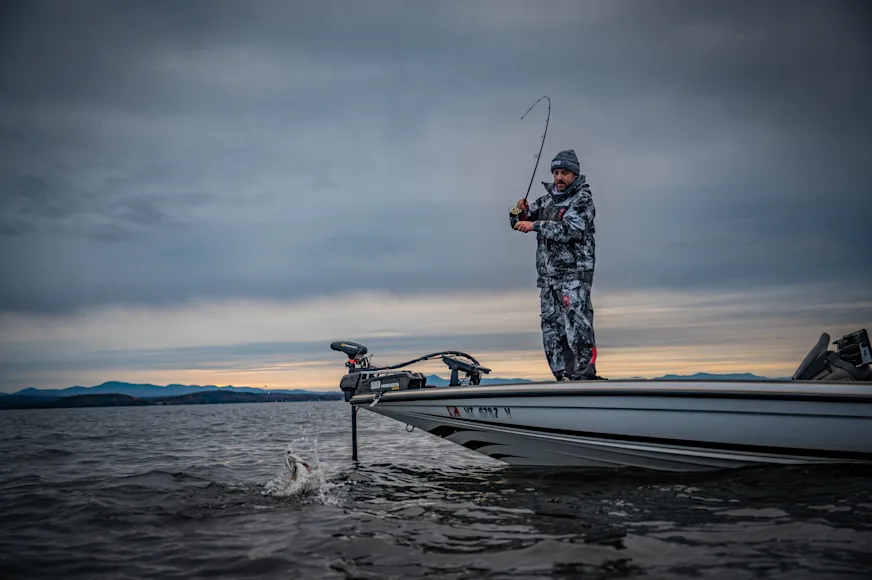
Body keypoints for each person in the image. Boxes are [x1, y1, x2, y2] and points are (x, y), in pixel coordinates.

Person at [509, 149, 599, 381]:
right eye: (556, 172)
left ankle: (584, 376)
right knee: (552, 329)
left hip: (574, 276)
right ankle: (563, 377)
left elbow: (572, 228)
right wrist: (518, 211)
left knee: (577, 325)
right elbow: (518, 221)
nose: (559, 178)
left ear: (575, 175)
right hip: (548, 279)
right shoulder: (547, 200)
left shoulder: (582, 198)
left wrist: (536, 224)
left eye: (565, 173)